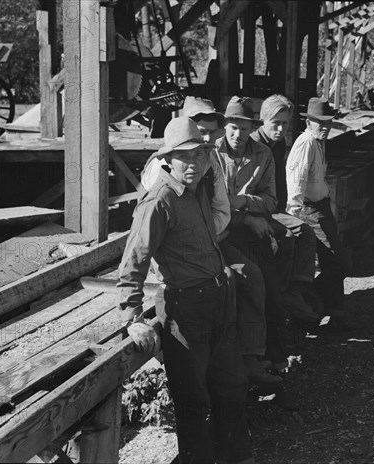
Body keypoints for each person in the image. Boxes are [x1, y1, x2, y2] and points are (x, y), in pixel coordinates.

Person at [117, 117, 254, 463]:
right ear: (169, 160)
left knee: (232, 387)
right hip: (186, 310)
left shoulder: (199, 190)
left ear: (209, 156)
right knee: (194, 401)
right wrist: (132, 317)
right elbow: (134, 261)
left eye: (199, 155)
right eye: (183, 157)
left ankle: (235, 457)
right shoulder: (159, 201)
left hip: (219, 300)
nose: (192, 164)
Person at [141, 97, 282, 388]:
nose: (204, 138)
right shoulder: (164, 175)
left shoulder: (209, 161)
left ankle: (248, 356)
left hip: (213, 242)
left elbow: (221, 210)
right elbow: (146, 243)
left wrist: (212, 232)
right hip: (179, 263)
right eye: (198, 129)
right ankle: (232, 361)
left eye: (208, 132)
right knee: (229, 280)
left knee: (254, 272)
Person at [285, 97, 356, 331]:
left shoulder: (319, 141)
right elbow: (296, 178)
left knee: (333, 262)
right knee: (337, 262)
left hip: (321, 207)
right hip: (308, 209)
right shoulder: (305, 143)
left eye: (328, 123)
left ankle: (334, 313)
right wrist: (294, 213)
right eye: (319, 122)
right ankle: (304, 305)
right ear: (309, 122)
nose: (324, 127)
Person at [251, 94, 320, 317]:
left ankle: (295, 291)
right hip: (253, 208)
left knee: (306, 232)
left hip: (273, 207)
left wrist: (287, 209)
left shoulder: (277, 144)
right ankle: (278, 294)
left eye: (285, 124)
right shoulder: (254, 145)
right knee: (288, 237)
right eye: (276, 123)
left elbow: (280, 181)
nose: (281, 129)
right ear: (263, 120)